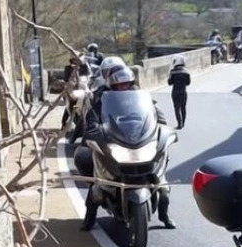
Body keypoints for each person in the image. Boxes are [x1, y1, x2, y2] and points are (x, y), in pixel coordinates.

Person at [81, 63, 176, 232]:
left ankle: (164, 215)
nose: (122, 87)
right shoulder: (101, 99)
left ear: (131, 83)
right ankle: (89, 218)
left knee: (163, 187)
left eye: (125, 84)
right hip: (114, 140)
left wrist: (163, 129)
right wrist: (93, 130)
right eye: (118, 85)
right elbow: (92, 119)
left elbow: (157, 116)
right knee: (97, 187)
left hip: (139, 140)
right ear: (111, 84)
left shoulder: (140, 97)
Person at [168, 54, 191, 129]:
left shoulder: (172, 72)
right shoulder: (186, 72)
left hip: (175, 92)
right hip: (183, 92)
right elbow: (188, 83)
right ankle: (183, 122)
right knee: (183, 107)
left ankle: (179, 123)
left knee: (177, 108)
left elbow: (169, 83)